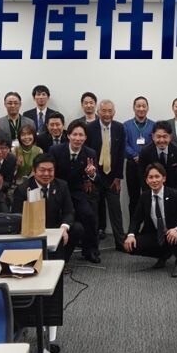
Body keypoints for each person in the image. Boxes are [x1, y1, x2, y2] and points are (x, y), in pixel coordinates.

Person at [123, 162, 177, 277]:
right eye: (150, 177)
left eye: (157, 176)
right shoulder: (144, 197)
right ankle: (164, 254)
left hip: (176, 234)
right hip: (156, 234)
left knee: (176, 236)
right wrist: (131, 235)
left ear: (164, 178)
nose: (154, 180)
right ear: (146, 180)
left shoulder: (175, 194)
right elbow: (136, 219)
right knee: (129, 245)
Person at [48, 120, 102, 263]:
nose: (78, 138)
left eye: (81, 135)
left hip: (77, 192)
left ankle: (90, 250)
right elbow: (50, 173)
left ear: (85, 137)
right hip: (58, 191)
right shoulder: (55, 150)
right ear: (68, 135)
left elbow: (97, 179)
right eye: (75, 134)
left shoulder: (90, 153)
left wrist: (92, 174)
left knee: (89, 215)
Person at [12, 155, 77, 256]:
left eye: (50, 170)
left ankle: (63, 259)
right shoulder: (23, 189)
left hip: (56, 227)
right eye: (42, 170)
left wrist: (63, 228)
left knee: (77, 229)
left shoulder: (62, 185)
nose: (46, 174)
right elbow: (17, 215)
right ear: (34, 170)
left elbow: (69, 211)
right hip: (32, 229)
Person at [86, 100, 125, 244]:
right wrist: (88, 178)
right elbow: (86, 154)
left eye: (110, 111)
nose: (107, 114)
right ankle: (92, 244)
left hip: (113, 177)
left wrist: (118, 177)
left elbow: (121, 154)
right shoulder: (90, 128)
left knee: (116, 211)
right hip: (95, 176)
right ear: (98, 112)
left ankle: (120, 243)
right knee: (93, 212)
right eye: (104, 111)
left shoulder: (119, 128)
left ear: (114, 112)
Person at [123, 96, 154, 214]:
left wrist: (144, 157)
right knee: (133, 198)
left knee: (150, 196)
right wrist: (135, 155)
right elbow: (124, 144)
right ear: (134, 108)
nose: (141, 108)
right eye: (138, 106)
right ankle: (133, 225)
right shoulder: (126, 125)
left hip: (149, 166)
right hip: (132, 165)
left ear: (148, 108)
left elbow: (155, 143)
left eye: (144, 106)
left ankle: (149, 224)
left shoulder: (153, 125)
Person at [137, 122, 177, 192]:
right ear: (153, 137)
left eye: (165, 136)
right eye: (158, 137)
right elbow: (142, 175)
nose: (161, 140)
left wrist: (176, 193)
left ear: (170, 137)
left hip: (174, 190)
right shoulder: (145, 152)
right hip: (152, 191)